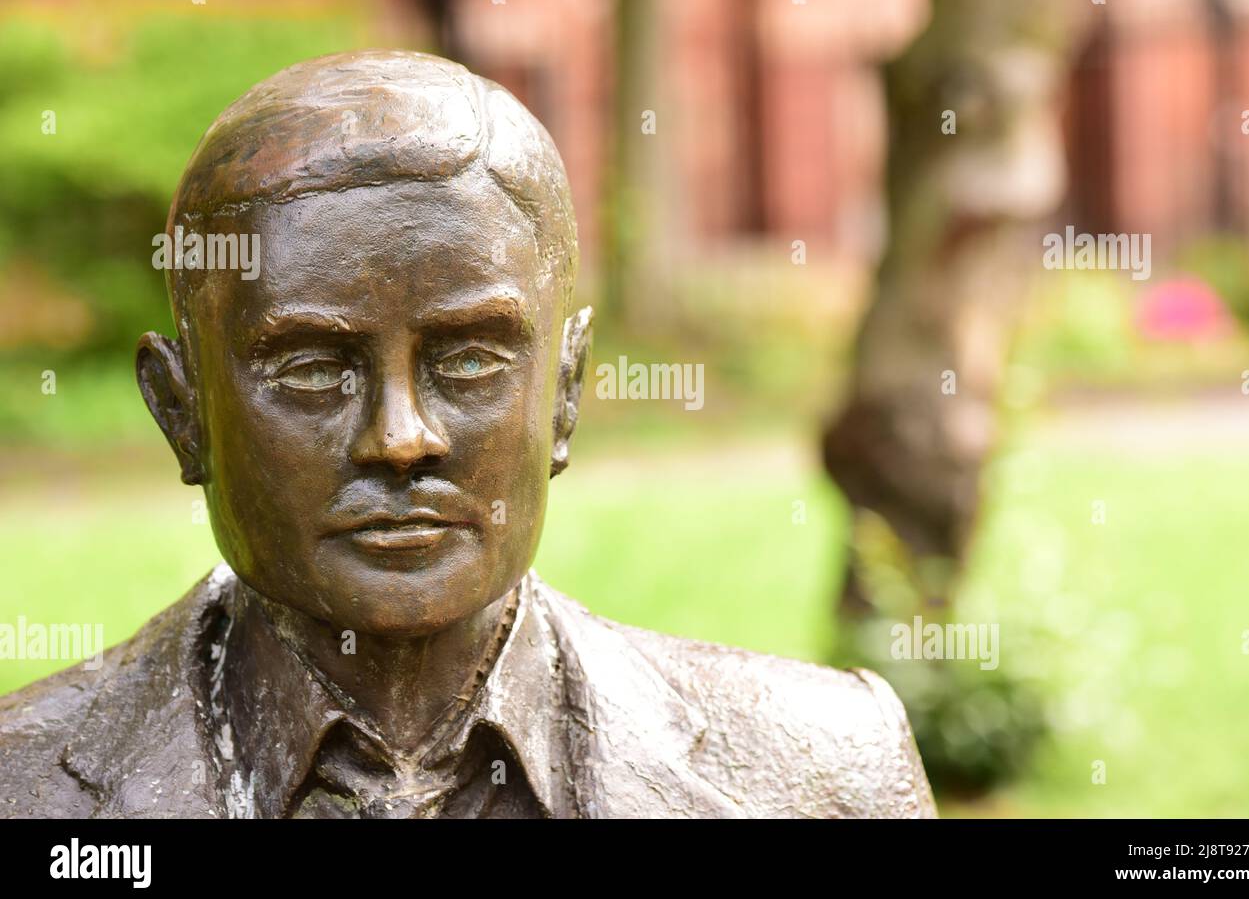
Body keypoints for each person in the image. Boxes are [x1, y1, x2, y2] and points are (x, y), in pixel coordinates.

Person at [0, 51, 935, 818]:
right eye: (313, 370)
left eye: (472, 361)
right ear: (182, 411)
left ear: (564, 391)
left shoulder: (827, 776)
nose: (401, 439)